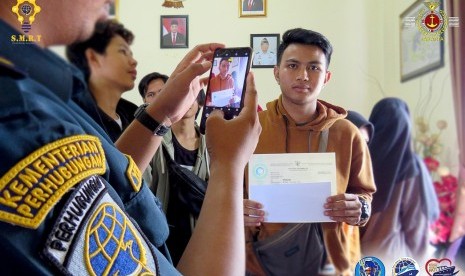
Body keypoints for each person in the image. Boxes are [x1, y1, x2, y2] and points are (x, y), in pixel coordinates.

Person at [0, 1, 262, 275]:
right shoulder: (22, 119)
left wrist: (160, 114)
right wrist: (229, 166)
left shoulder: (37, 89)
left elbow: (106, 187)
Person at [243, 28, 376, 276]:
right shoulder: (251, 129)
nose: (303, 76)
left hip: (331, 263)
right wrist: (238, 210)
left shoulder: (347, 133)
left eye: (314, 68)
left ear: (326, 77)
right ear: (276, 72)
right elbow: (228, 194)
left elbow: (364, 195)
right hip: (260, 262)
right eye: (292, 65)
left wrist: (360, 208)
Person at [138, 72, 209, 265]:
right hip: (162, 240)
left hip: (201, 239)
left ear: (201, 102)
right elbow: (140, 186)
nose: (187, 100)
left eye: (193, 95)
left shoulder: (211, 144)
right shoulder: (156, 141)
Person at [360, 97, 439, 266]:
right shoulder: (409, 165)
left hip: (357, 257)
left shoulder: (360, 160)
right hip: (393, 259)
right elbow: (416, 224)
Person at [66, 19, 138, 142]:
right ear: (93, 58)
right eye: (123, 51)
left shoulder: (133, 114)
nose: (134, 61)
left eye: (131, 54)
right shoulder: (72, 120)